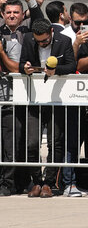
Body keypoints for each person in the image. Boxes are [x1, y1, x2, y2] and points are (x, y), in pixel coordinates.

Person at [19, 19, 76, 197]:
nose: (41, 43)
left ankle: (49, 183)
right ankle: (36, 181)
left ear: (51, 32)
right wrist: (25, 68)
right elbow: (21, 64)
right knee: (32, 142)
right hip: (35, 98)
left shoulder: (64, 40)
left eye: (44, 41)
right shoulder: (28, 39)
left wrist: (56, 70)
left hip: (55, 99)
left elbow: (72, 65)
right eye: (38, 41)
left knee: (55, 142)